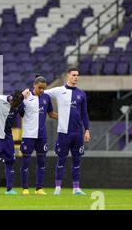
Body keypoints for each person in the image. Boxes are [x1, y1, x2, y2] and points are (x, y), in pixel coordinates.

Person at [24, 67, 90, 195]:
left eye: (77, 75)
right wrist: (27, 91)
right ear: (67, 76)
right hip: (63, 132)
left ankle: (76, 188)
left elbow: (84, 113)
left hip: (77, 132)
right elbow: (39, 90)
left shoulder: (81, 94)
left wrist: (87, 129)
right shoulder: (59, 91)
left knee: (77, 161)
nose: (76, 77)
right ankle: (58, 188)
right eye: (73, 75)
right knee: (61, 160)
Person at [20, 75, 58, 196]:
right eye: (40, 88)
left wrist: (65, 117)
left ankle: (39, 188)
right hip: (28, 135)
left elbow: (51, 114)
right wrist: (21, 96)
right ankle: (25, 188)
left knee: (42, 163)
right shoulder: (26, 96)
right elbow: (19, 112)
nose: (42, 90)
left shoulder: (46, 97)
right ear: (34, 86)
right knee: (25, 162)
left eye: (43, 88)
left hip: (42, 136)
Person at [0, 91, 25, 195]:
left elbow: (26, 93)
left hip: (8, 138)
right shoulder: (0, 99)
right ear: (11, 99)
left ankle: (9, 189)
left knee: (10, 162)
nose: (15, 107)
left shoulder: (18, 104)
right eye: (14, 104)